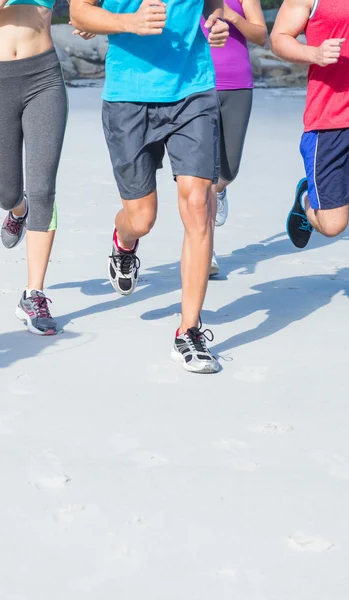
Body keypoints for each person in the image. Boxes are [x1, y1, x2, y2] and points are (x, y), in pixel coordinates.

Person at [70, 0, 229, 372]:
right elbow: (78, 12)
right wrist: (127, 21)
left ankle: (189, 330)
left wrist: (216, 21)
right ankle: (124, 242)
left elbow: (214, 6)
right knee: (141, 218)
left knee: (197, 204)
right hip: (128, 94)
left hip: (193, 90)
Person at [0, 1, 93, 335]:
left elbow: (83, 7)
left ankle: (34, 294)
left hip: (44, 77)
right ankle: (18, 209)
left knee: (43, 188)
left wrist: (88, 20)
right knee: (5, 192)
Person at [271, 0, 349, 337]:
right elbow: (279, 38)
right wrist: (314, 54)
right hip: (328, 123)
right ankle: (307, 201)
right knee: (333, 225)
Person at [202, 0, 267, 276]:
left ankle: (221, 189)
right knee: (202, 176)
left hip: (238, 86)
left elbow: (262, 36)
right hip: (198, 86)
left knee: (227, 171)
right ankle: (207, 253)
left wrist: (233, 18)